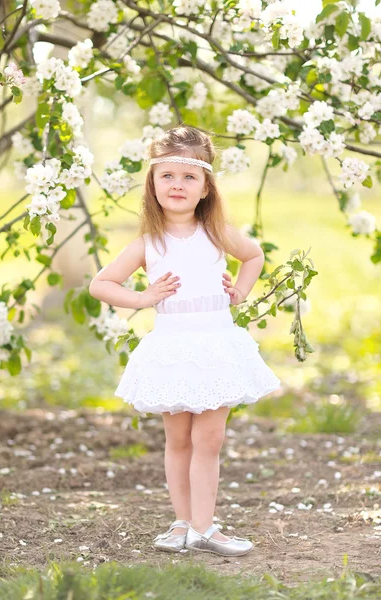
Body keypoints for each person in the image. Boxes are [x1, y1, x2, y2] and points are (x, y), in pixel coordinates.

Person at [89, 125, 281, 557]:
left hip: (215, 345)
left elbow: (254, 255)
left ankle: (205, 527)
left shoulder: (216, 234)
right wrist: (142, 297)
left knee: (209, 439)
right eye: (168, 176)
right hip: (172, 348)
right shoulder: (147, 243)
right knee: (177, 440)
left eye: (189, 177)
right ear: (153, 183)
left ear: (206, 187)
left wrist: (241, 291)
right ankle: (181, 524)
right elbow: (101, 284)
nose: (178, 185)